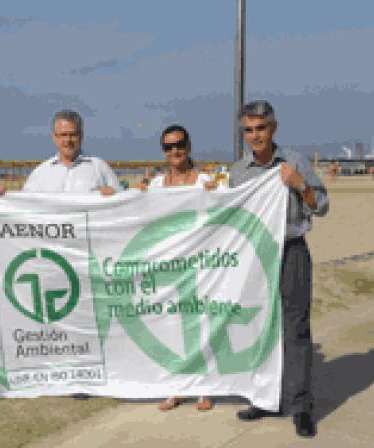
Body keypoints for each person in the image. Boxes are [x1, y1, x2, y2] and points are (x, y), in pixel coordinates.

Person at [229, 101, 329, 438]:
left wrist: (299, 183)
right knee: (260, 328)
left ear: (273, 128)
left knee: (295, 327)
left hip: (291, 251)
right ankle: (265, 398)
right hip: (255, 257)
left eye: (261, 128)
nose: (255, 135)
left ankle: (300, 406)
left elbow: (323, 205)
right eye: (249, 129)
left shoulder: (294, 161)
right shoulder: (237, 171)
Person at [141, 124, 214, 411]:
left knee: (203, 323)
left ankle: (206, 388)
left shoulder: (205, 180)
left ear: (189, 144)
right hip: (167, 264)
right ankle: (176, 387)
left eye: (179, 144)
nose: (175, 151)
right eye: (168, 147)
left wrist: (216, 193)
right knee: (170, 325)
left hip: (202, 263)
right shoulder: (157, 185)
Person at [21, 109, 120, 195]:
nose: (68, 140)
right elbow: (23, 204)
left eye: (73, 135)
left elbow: (123, 202)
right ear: (54, 137)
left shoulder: (99, 168)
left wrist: (114, 194)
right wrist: (6, 198)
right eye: (63, 135)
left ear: (81, 136)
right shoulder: (41, 172)